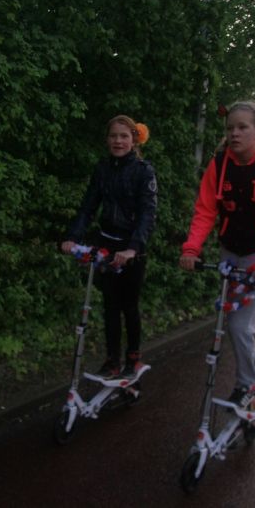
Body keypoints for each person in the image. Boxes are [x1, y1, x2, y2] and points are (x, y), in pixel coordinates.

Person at [179, 101, 255, 407]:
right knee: (227, 321)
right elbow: (205, 210)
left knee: (239, 325)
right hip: (230, 250)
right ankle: (244, 385)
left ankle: (250, 384)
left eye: (242, 127)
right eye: (230, 128)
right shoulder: (220, 164)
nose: (234, 133)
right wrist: (192, 249)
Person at [61, 115, 157, 380]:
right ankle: (112, 360)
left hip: (131, 249)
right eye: (113, 136)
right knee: (110, 305)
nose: (118, 141)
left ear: (134, 140)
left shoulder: (143, 171)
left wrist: (133, 248)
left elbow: (148, 214)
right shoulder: (102, 169)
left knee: (129, 305)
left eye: (124, 136)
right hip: (106, 245)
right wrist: (73, 237)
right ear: (107, 139)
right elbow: (88, 207)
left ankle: (133, 358)